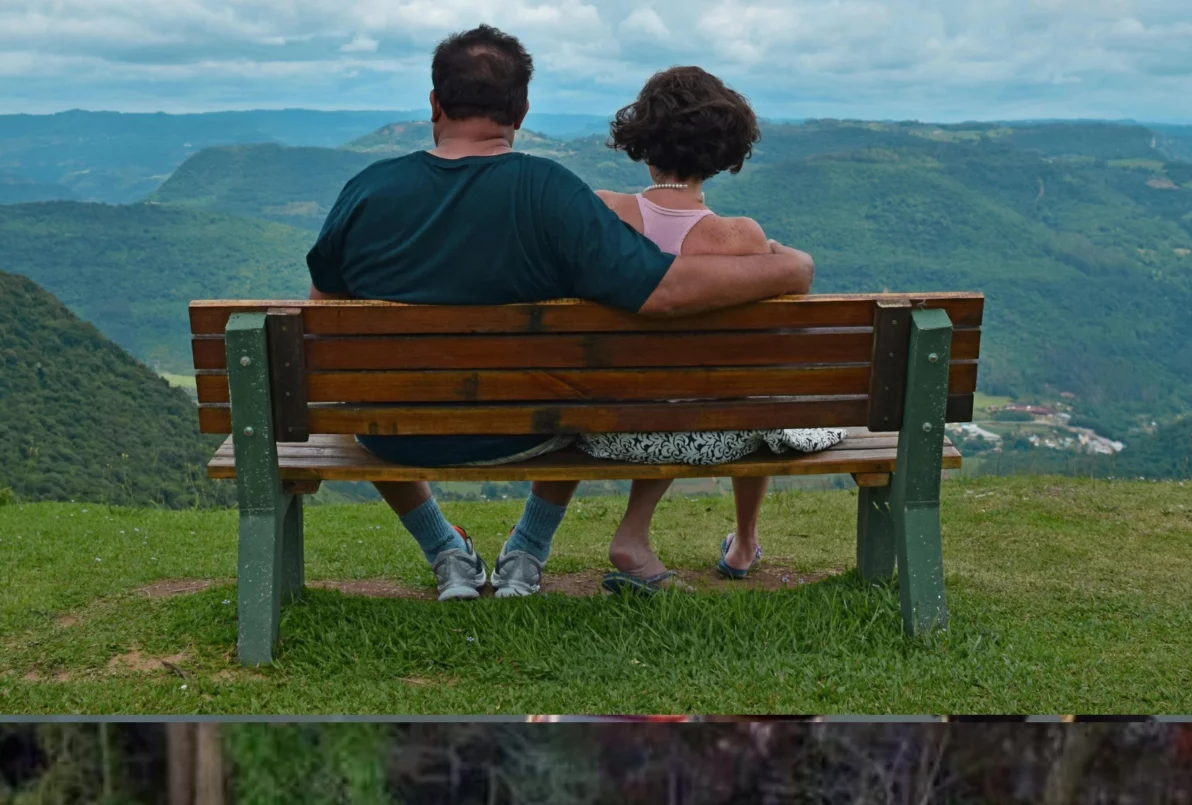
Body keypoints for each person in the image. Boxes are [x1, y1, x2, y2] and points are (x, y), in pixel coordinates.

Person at [305, 26, 815, 601]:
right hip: (529, 431)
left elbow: (326, 318)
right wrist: (789, 269)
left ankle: (445, 551)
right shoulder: (552, 193)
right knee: (578, 373)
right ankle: (526, 549)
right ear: (521, 110)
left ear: (434, 102)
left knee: (366, 391)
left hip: (391, 432)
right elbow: (663, 291)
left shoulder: (365, 190)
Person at [584, 67, 845, 594]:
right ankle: (745, 542)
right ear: (724, 149)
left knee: (713, 390)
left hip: (605, 424)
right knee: (756, 392)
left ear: (642, 137)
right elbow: (791, 283)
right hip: (713, 429)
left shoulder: (602, 211)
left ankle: (666, 536)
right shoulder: (739, 237)